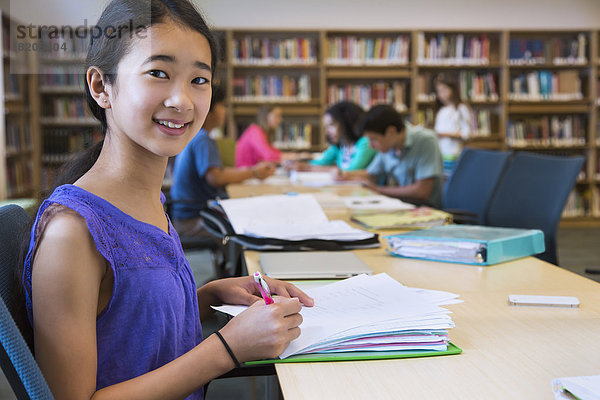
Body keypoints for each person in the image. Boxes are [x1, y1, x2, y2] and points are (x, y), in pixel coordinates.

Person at [18, 1, 313, 399]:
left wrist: (207, 298)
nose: (183, 101)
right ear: (101, 87)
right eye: (158, 73)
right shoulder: (72, 233)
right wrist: (227, 348)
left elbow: (126, 325)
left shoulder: (147, 199)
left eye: (199, 80)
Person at [170, 85, 275, 237]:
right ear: (208, 110)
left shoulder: (197, 136)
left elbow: (217, 172)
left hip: (189, 214)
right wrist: (255, 172)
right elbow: (216, 178)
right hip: (193, 220)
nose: (225, 111)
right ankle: (234, 261)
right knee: (249, 224)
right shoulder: (202, 140)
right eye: (222, 106)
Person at [339, 105, 443, 209]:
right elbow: (370, 174)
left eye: (374, 139)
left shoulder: (426, 141)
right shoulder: (388, 146)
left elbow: (421, 191)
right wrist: (344, 174)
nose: (371, 145)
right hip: (402, 205)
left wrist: (379, 190)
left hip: (425, 209)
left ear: (391, 131)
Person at [296, 101, 376, 173]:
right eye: (326, 127)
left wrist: (308, 168)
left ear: (346, 122)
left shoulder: (366, 142)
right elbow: (322, 162)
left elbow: (351, 172)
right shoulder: (340, 145)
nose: (327, 132)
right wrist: (298, 164)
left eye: (331, 125)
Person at [433, 77, 473, 175]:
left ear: (453, 90)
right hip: (440, 154)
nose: (441, 95)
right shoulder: (442, 110)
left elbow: (467, 134)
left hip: (453, 154)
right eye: (439, 91)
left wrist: (446, 135)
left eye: (444, 90)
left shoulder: (461, 108)